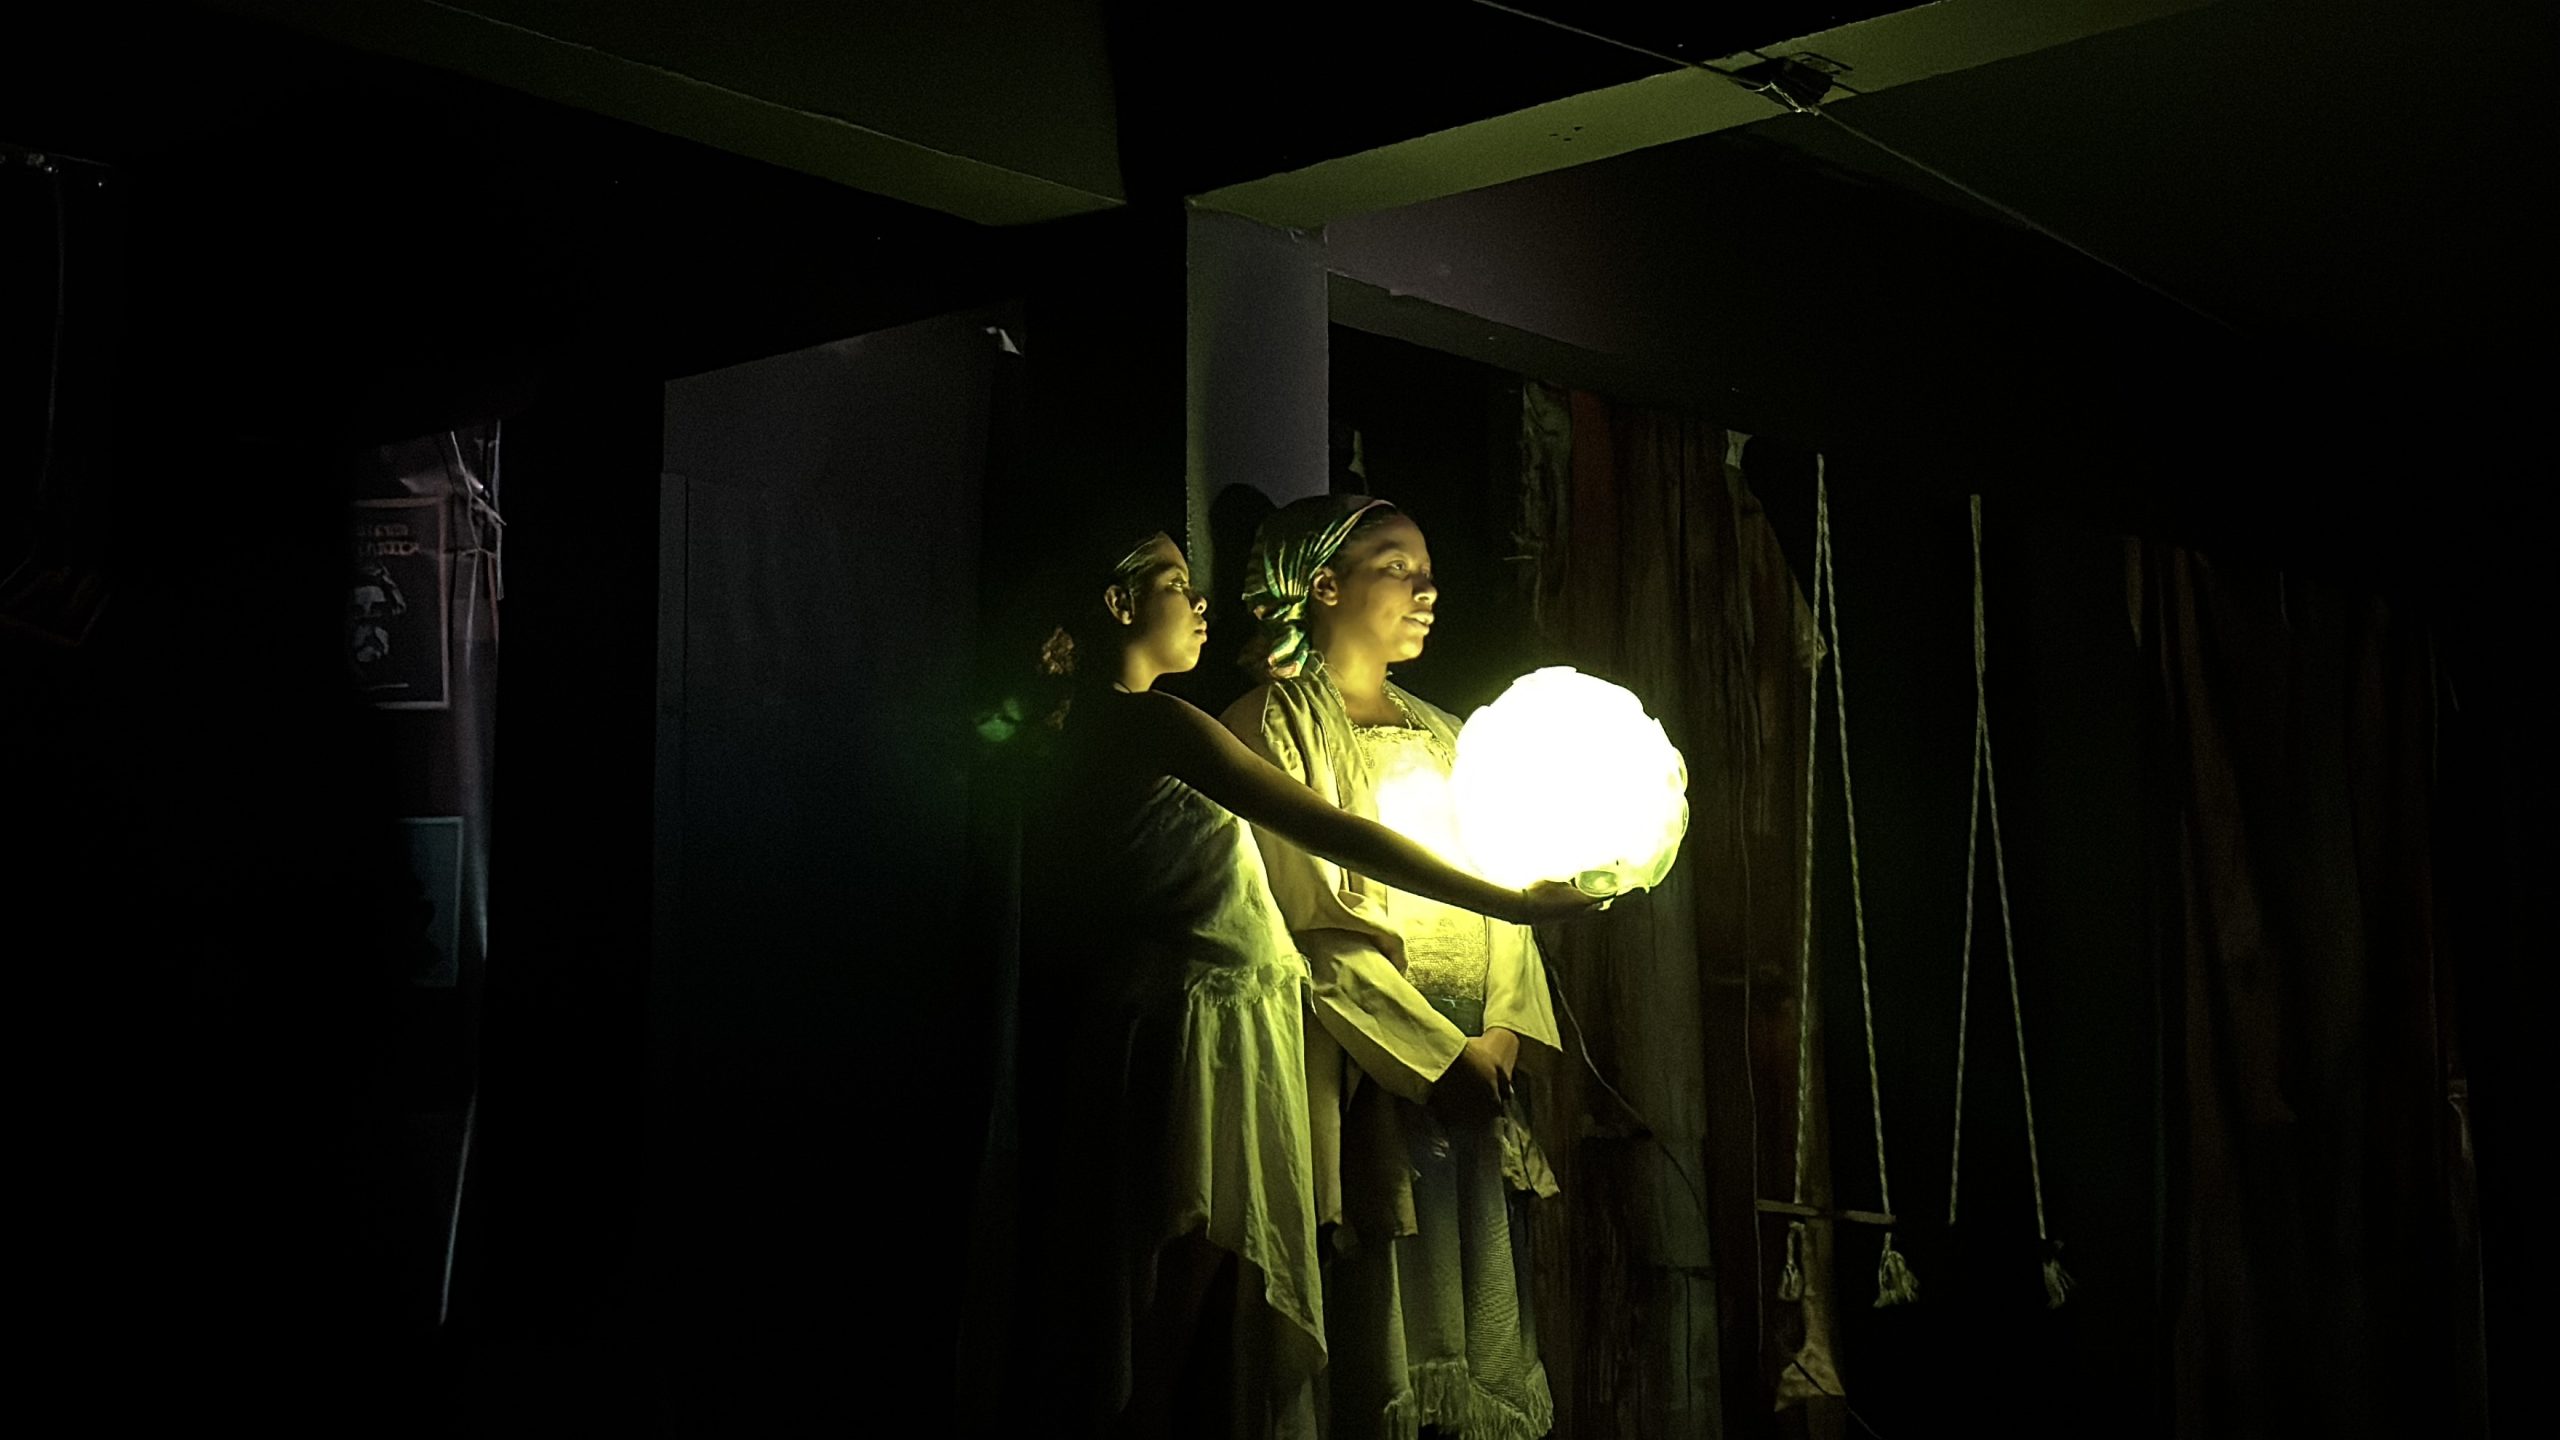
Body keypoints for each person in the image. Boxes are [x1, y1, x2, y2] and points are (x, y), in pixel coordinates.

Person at [1009, 524, 1594, 1440]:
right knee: (1183, 1261)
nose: (1200, 601)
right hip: (1201, 1030)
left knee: (1190, 1271)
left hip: (1215, 1021)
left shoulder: (1117, 729)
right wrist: (1510, 900)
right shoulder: (1160, 723)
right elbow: (1331, 834)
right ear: (1120, 605)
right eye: (1176, 583)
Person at [1219, 494, 1565, 1440]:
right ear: (1324, 585)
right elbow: (1313, 923)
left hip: (1475, 1074)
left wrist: (1498, 1033)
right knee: (1383, 1312)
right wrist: (1433, 1057)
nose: (1426, 590)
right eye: (1397, 568)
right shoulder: (1270, 729)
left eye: (1428, 571)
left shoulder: (1454, 735)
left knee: (1478, 1310)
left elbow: (1507, 889)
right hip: (1366, 1066)